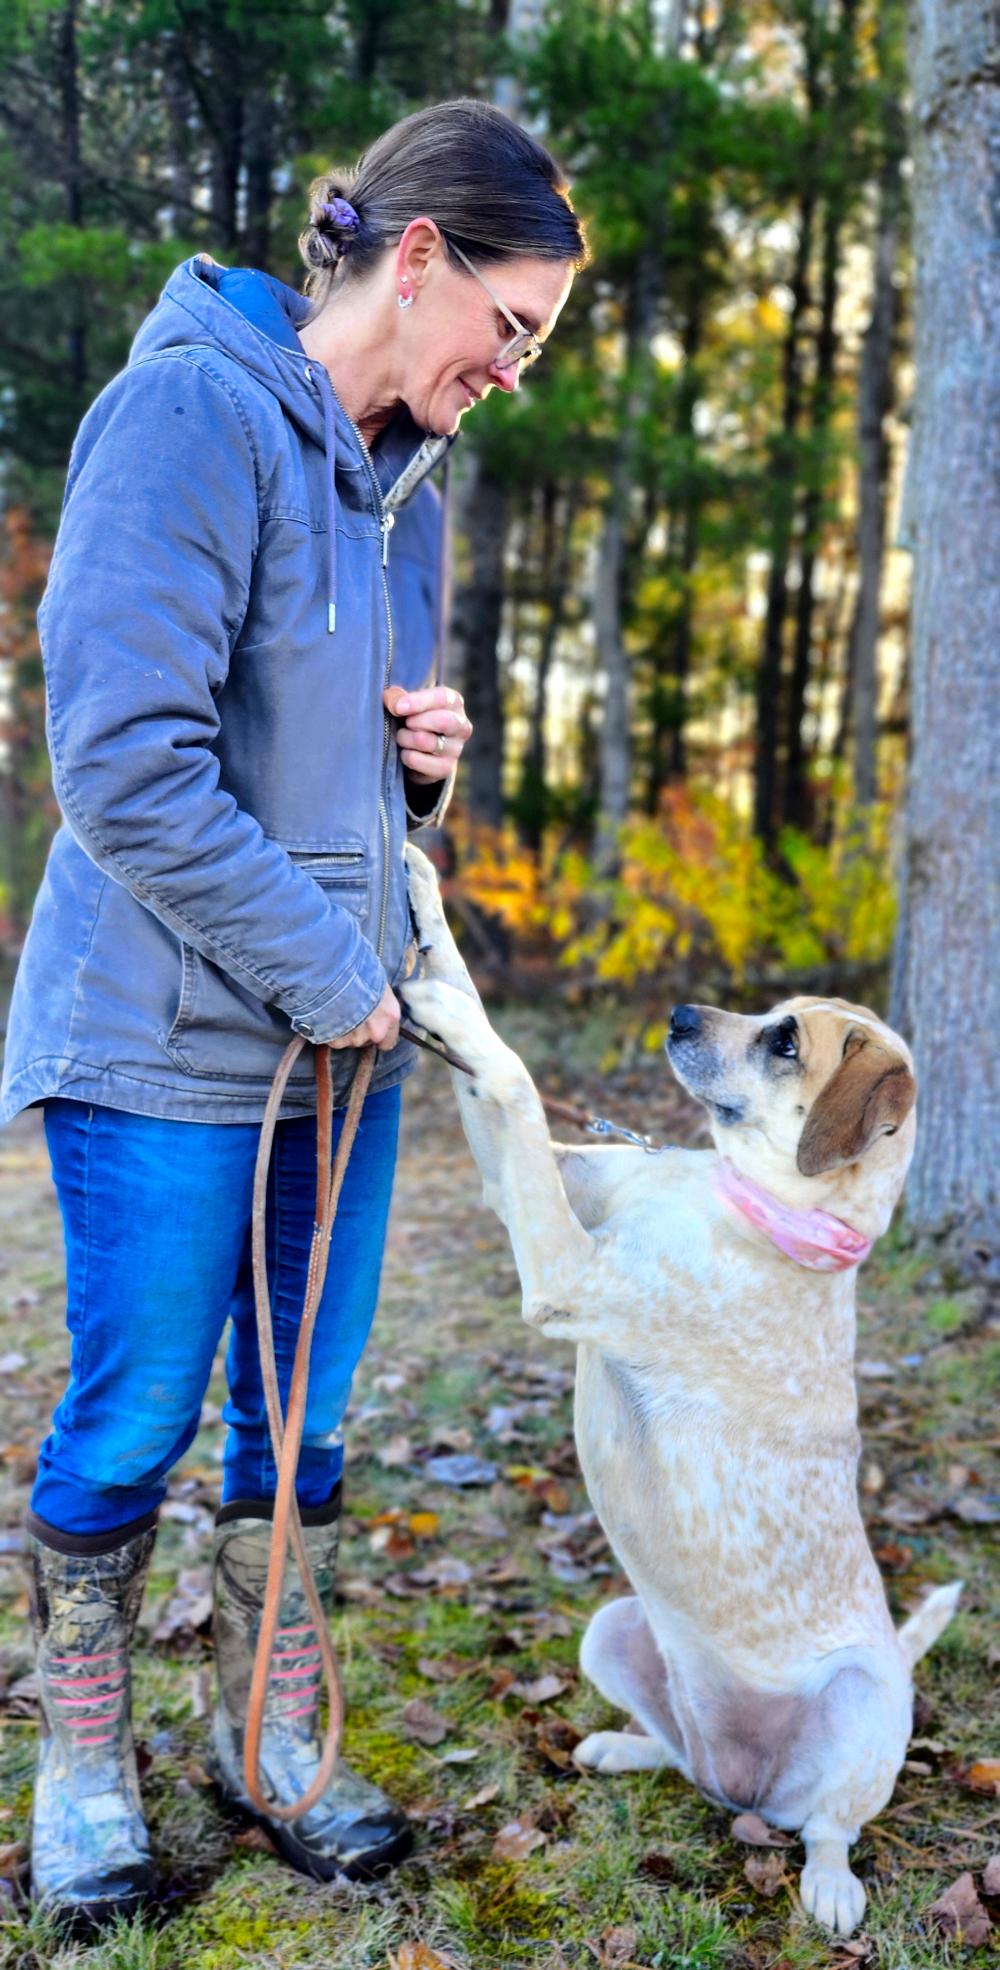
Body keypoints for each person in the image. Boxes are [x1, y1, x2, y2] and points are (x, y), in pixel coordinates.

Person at [0, 97, 586, 1926]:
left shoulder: (403, 480)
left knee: (303, 1427)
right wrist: (342, 977)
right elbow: (124, 768)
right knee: (135, 1417)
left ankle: (270, 1733)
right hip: (164, 1041)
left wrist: (412, 781)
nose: (514, 373)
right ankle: (82, 1749)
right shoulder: (187, 414)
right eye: (516, 327)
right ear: (421, 259)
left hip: (336, 1052)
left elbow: (306, 784)